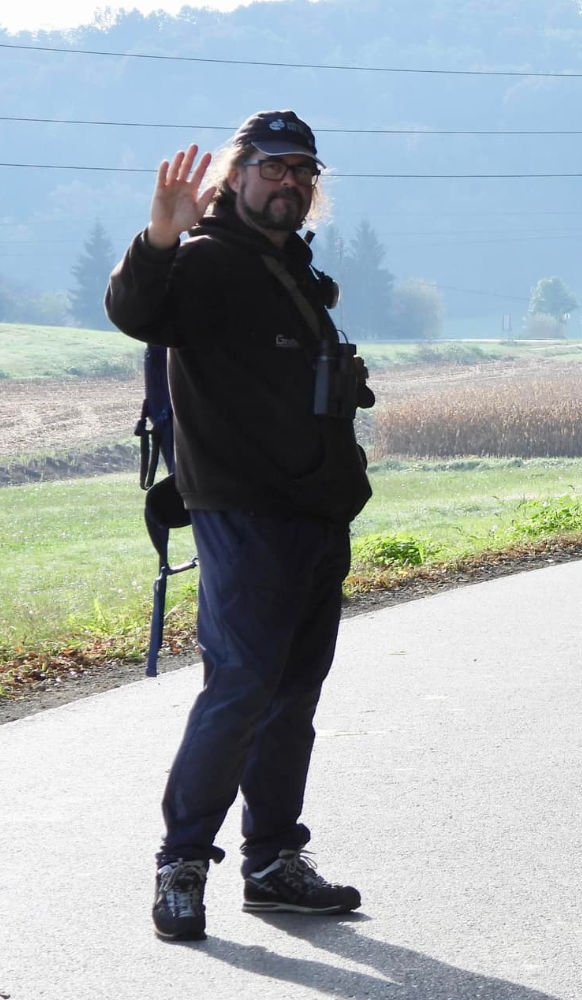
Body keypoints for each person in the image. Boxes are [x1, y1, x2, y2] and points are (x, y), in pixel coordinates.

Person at [105, 111, 372, 942]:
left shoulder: (287, 266)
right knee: (242, 690)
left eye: (302, 171)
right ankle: (182, 862)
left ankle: (271, 863)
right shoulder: (207, 261)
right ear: (237, 174)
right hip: (244, 514)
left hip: (314, 513)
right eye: (273, 167)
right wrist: (157, 236)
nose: (289, 182)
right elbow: (135, 310)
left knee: (292, 698)